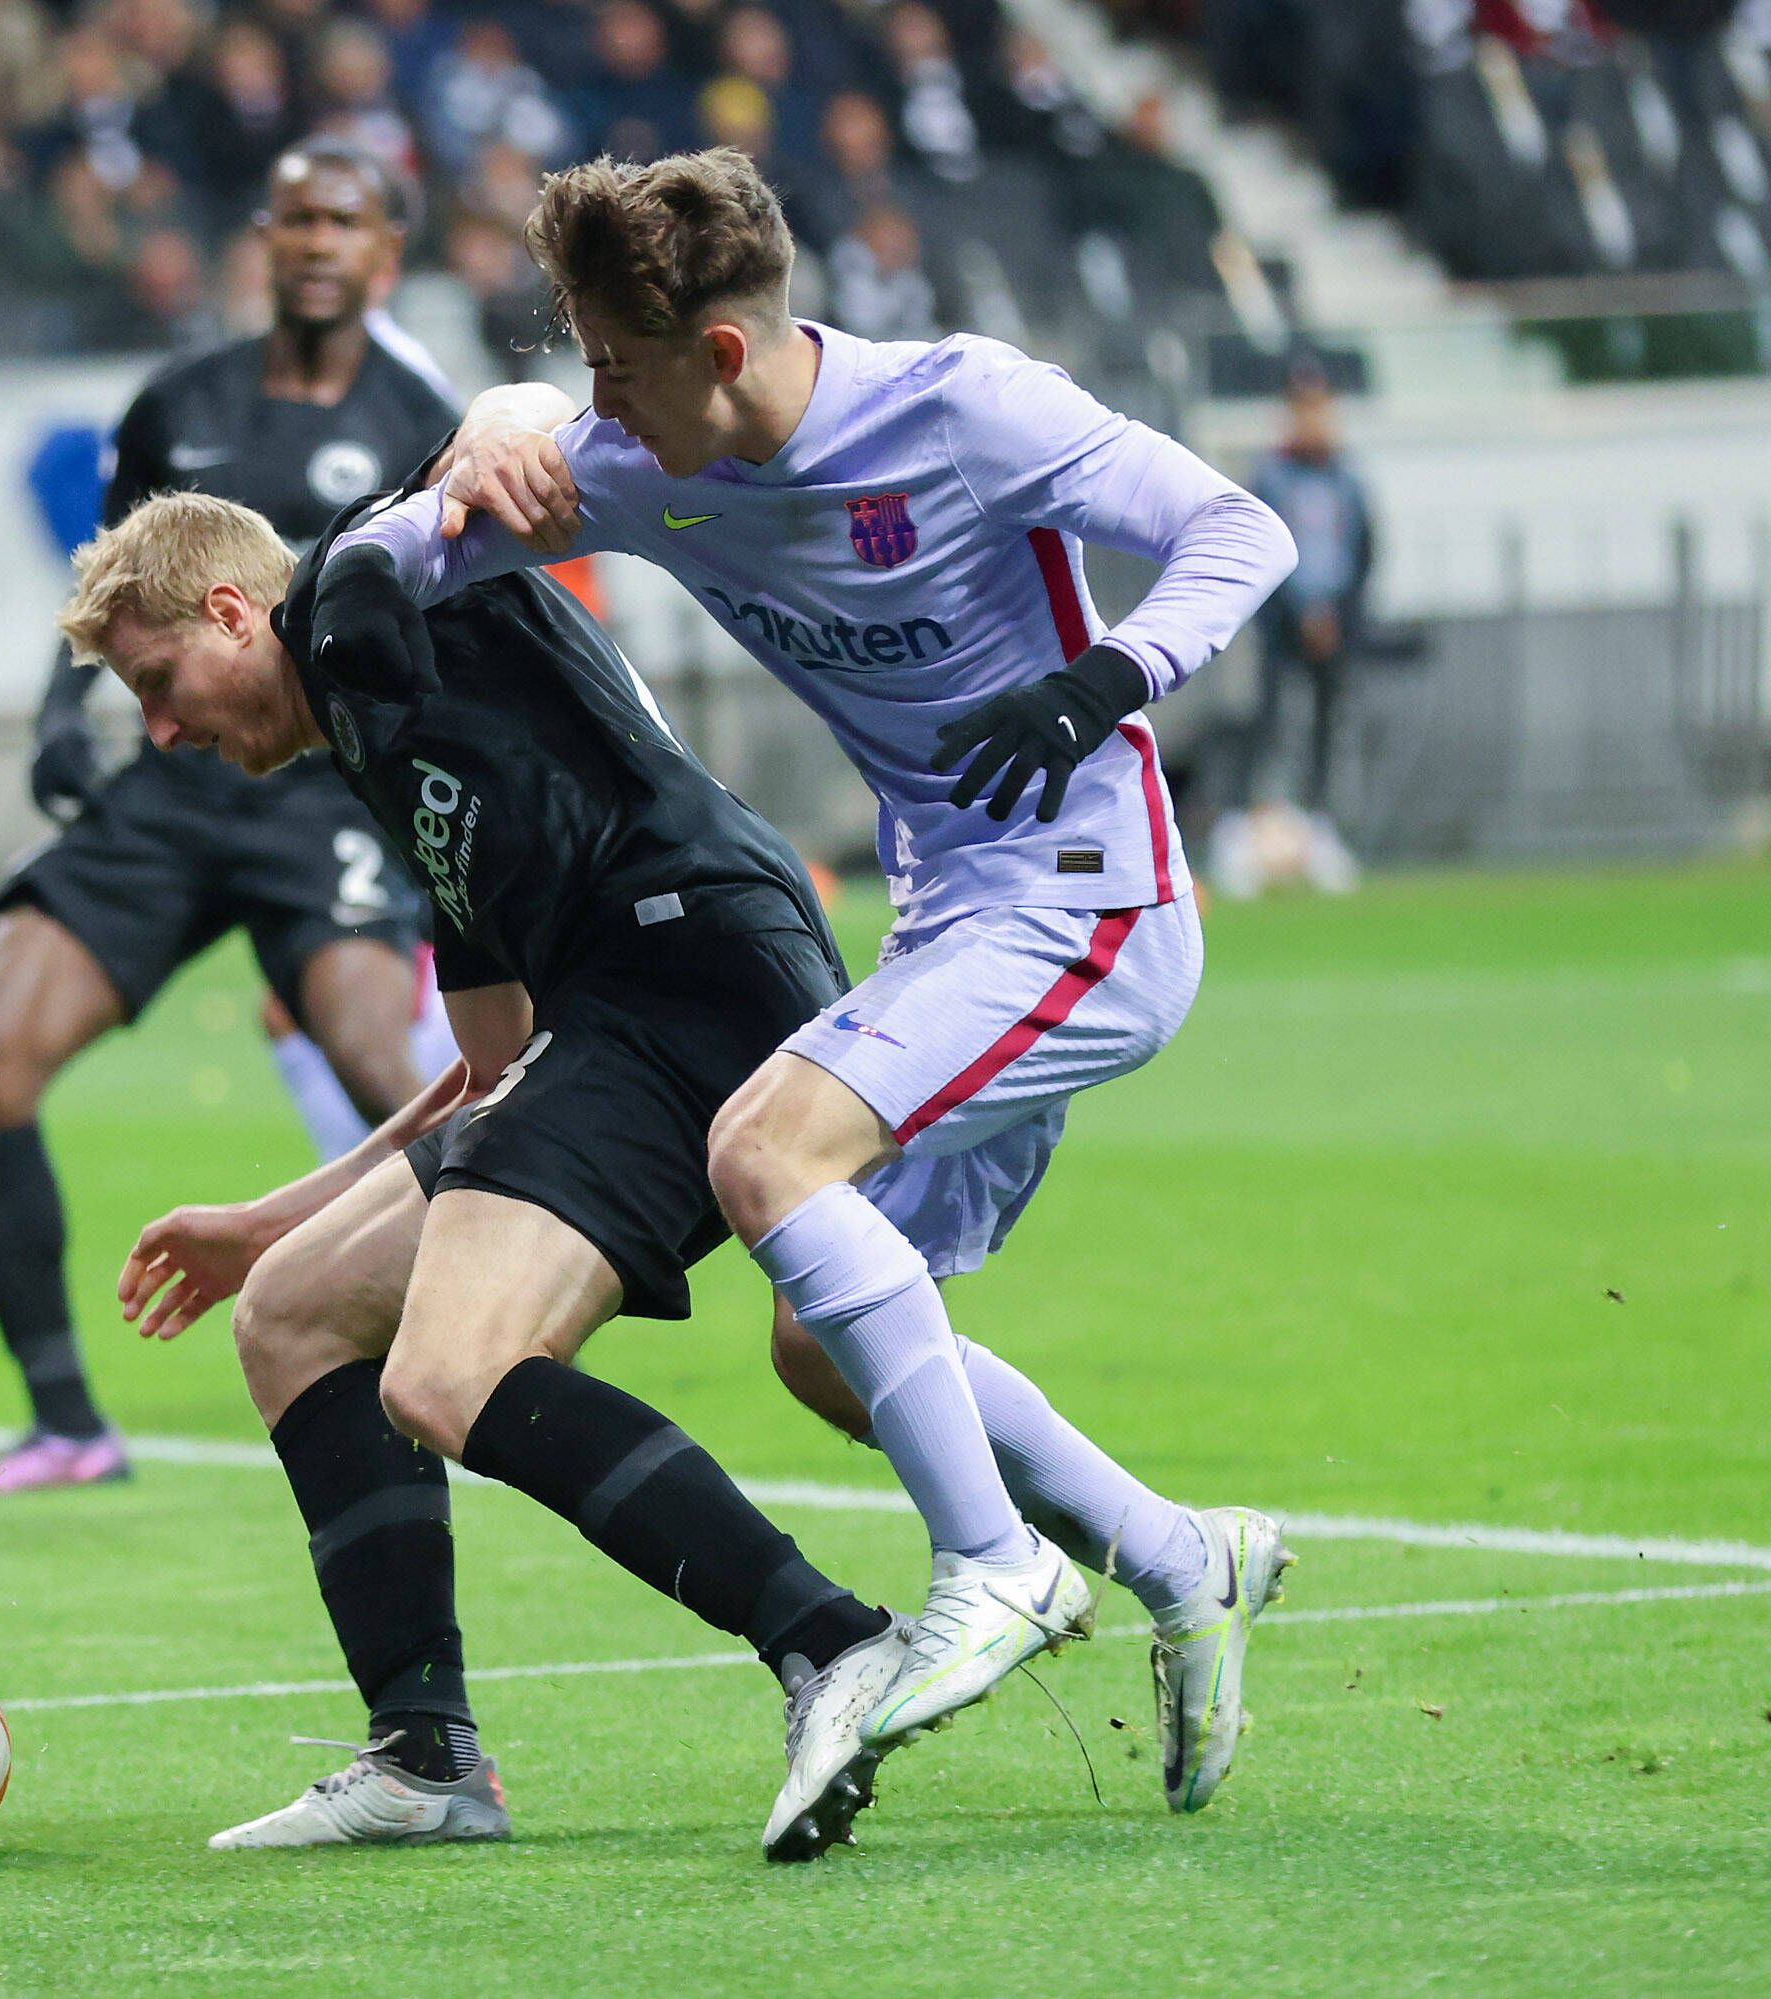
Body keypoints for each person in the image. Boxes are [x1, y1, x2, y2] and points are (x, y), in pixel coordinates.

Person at [343, 147, 1303, 1814]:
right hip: (956, 916)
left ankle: (993, 1562)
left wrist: (1098, 682)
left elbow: (1238, 528)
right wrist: (445, 479)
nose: (596, 403)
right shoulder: (639, 455)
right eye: (575, 364)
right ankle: (1175, 1553)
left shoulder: (962, 409)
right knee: (819, 1338)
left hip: (1090, 893)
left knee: (761, 1148)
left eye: (611, 365)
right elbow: (408, 558)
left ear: (720, 353)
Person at [71, 487, 911, 1860]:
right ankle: (424, 1760)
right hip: (616, 1020)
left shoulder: (355, 600)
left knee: (448, 1370)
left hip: (695, 972)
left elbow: (453, 501)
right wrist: (269, 1219)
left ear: (235, 611)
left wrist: (491, 439)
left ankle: (831, 1638)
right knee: (290, 1308)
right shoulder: (372, 743)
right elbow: (490, 1068)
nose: (163, 730)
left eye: (159, 684)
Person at [0, 139, 460, 1503]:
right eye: (294, 221)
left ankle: (476, 1347)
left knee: (380, 1059)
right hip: (171, 781)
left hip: (319, 787)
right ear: (261, 244)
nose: (316, 243)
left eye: (344, 223)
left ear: (384, 255)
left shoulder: (422, 414)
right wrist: (60, 705)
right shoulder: (179, 401)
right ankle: (67, 1425)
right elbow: (110, 578)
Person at [1247, 370, 1375, 814]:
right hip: (1284, 626)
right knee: (1277, 723)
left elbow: (1363, 552)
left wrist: (1336, 614)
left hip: (1336, 625)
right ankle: (1271, 821)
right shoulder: (1270, 477)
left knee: (1332, 727)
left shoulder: (1348, 479)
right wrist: (1299, 613)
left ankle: (1324, 821)